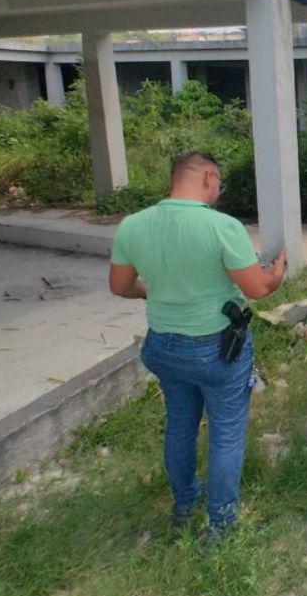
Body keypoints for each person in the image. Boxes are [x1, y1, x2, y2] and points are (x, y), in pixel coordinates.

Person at [108, 152, 287, 544]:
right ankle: (221, 524)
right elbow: (256, 290)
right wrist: (276, 275)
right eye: (219, 182)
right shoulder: (222, 227)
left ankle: (185, 503)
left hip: (163, 347)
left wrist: (155, 291)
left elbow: (120, 286)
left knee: (180, 423)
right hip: (215, 350)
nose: (219, 191)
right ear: (208, 177)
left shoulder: (132, 225)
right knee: (225, 433)